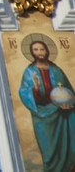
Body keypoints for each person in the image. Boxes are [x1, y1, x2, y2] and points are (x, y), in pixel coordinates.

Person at [19, 38, 75, 171]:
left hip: (62, 115)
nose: (39, 52)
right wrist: (36, 88)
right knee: (49, 151)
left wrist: (68, 103)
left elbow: (68, 90)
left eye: (42, 49)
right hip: (42, 116)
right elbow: (24, 93)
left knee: (67, 147)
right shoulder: (29, 71)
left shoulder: (56, 70)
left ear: (47, 51)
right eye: (36, 50)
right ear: (31, 52)